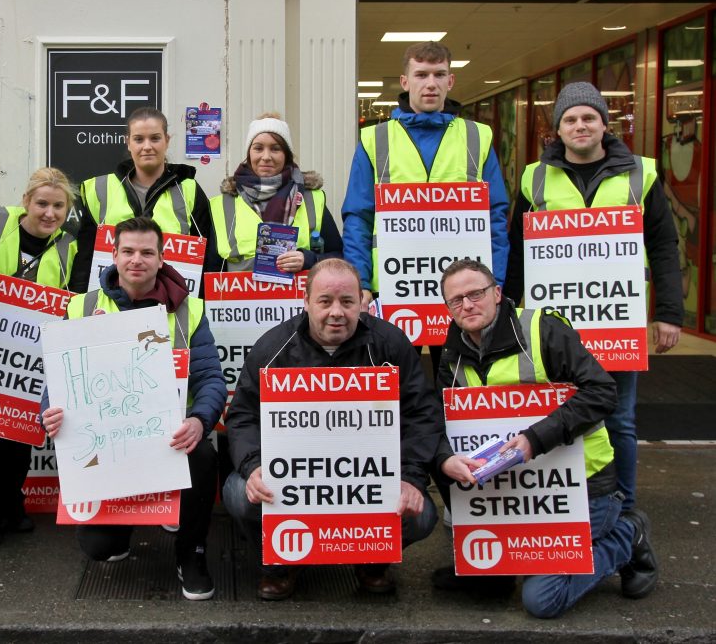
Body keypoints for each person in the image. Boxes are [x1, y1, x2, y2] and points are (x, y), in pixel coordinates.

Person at [438, 259, 658, 617]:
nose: (467, 305)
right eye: (456, 300)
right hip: (513, 491)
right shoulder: (452, 352)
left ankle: (627, 535)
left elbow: (603, 392)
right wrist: (448, 459)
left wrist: (534, 439)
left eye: (475, 294)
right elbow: (441, 420)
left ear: (496, 293)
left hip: (583, 484)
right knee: (484, 570)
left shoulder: (543, 329)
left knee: (542, 599)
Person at [505, 81, 683, 513]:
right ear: (558, 130)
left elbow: (663, 246)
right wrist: (508, 314)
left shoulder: (642, 173)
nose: (580, 126)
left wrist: (669, 313)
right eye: (570, 119)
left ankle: (623, 512)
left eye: (589, 117)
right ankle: (570, 505)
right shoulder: (535, 177)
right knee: (558, 409)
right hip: (553, 324)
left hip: (615, 321)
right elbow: (518, 250)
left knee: (618, 419)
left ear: (605, 124)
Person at [223, 258, 448, 600]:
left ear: (363, 301)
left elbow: (421, 414)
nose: (336, 312)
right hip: (294, 480)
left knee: (421, 514)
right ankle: (282, 564)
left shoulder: (390, 344)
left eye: (347, 302)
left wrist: (410, 477)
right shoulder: (273, 349)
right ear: (306, 301)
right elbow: (242, 416)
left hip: (370, 478)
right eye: (325, 301)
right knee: (239, 494)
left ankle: (372, 559)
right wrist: (253, 466)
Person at [40, 216, 226, 601]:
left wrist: (199, 418)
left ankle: (191, 552)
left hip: (170, 437)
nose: (136, 260)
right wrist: (51, 411)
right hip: (105, 440)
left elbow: (210, 378)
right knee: (98, 548)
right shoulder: (81, 307)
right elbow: (57, 377)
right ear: (114, 256)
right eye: (127, 251)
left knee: (204, 455)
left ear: (161, 259)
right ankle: (121, 528)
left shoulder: (188, 311)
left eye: (146, 252)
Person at [341, 41, 510, 368]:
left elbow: (496, 218)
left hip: (467, 290)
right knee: (397, 384)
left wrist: (496, 283)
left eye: (438, 74)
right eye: (421, 74)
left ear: (451, 81)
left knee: (462, 382)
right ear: (405, 82)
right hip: (395, 287)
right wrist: (361, 282)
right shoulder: (375, 140)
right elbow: (358, 219)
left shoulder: (478, 137)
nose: (430, 83)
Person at [0, 167, 79, 548]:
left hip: (34, 355)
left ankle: (13, 508)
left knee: (20, 434)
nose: (49, 213)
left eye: (58, 207)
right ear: (26, 202)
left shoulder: (70, 246)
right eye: (42, 204)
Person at [70, 107, 212, 292]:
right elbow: (84, 260)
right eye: (138, 139)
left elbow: (207, 261)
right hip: (111, 309)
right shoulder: (98, 190)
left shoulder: (189, 190)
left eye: (155, 138)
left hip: (170, 307)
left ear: (166, 141)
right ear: (127, 142)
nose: (147, 146)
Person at [208, 112, 343, 273]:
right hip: (242, 297)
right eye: (258, 148)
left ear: (286, 155)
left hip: (298, 297)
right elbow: (211, 269)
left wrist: (309, 259)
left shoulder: (311, 199)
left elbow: (339, 257)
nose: (266, 157)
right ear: (249, 153)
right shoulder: (224, 204)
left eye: (275, 149)